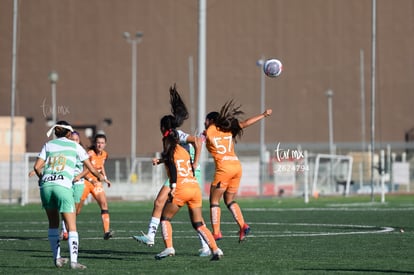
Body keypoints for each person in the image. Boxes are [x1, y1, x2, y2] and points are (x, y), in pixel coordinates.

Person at [133, 85, 210, 256]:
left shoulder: (177, 134)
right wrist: (161, 160)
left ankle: (204, 245)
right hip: (181, 172)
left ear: (163, 126)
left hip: (184, 175)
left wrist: (195, 163)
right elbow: (175, 156)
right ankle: (152, 236)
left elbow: (197, 141)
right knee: (163, 203)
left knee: (164, 202)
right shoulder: (169, 137)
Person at [33, 121, 105, 269]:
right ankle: (73, 262)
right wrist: (100, 176)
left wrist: (43, 178)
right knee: (72, 226)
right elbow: (91, 168)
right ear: (69, 133)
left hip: (46, 186)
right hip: (63, 186)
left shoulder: (48, 145)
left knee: (53, 224)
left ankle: (57, 258)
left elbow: (36, 167)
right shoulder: (75, 146)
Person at [204, 101, 272, 242]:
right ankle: (243, 225)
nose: (204, 123)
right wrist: (263, 115)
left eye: (206, 120)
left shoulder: (208, 131)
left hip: (224, 170)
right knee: (229, 200)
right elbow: (245, 123)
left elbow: (197, 141)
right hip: (236, 167)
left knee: (214, 200)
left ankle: (216, 232)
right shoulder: (227, 129)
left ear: (210, 121)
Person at [154, 128, 223, 260]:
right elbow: (177, 162)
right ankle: (215, 250)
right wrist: (160, 161)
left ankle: (169, 247)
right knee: (198, 224)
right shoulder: (185, 152)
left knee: (165, 218)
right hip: (194, 188)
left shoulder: (169, 152)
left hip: (181, 189)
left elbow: (173, 169)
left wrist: (173, 186)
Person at [76, 134, 113, 240]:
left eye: (102, 143)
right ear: (95, 143)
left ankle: (106, 231)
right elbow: (84, 171)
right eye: (98, 143)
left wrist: (105, 178)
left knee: (104, 204)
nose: (100, 145)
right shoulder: (89, 154)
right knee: (77, 210)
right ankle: (66, 230)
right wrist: (91, 179)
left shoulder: (105, 154)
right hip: (86, 182)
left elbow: (101, 166)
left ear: (105, 144)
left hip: (96, 183)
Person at [60, 131, 89, 241]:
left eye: (76, 139)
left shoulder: (82, 151)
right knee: (67, 208)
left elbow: (88, 169)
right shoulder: (66, 151)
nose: (75, 142)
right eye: (72, 140)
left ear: (79, 140)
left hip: (79, 183)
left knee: (76, 211)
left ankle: (67, 228)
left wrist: (79, 176)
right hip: (66, 183)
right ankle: (65, 230)